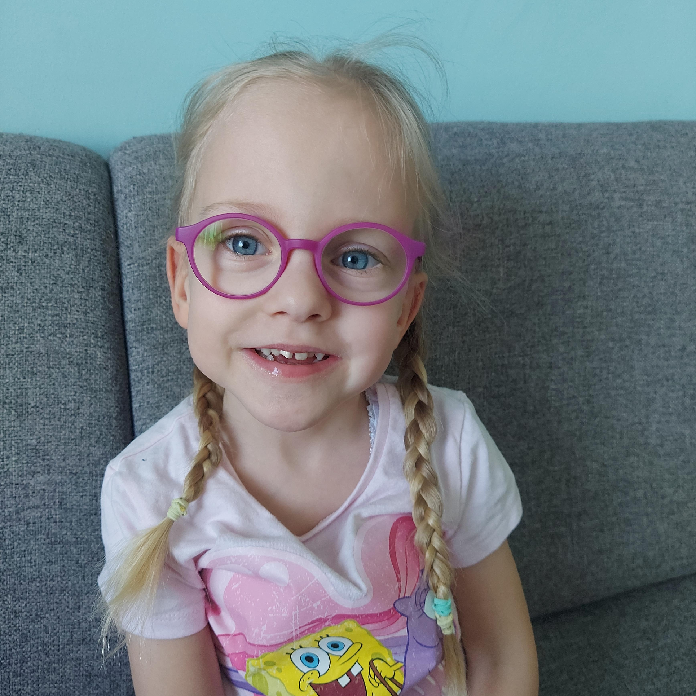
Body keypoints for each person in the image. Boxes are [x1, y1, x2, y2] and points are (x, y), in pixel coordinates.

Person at [98, 38, 539, 696]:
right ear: (182, 283)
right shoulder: (147, 494)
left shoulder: (450, 442)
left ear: (406, 306)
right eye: (244, 241)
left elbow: (501, 658)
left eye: (355, 257)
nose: (301, 298)